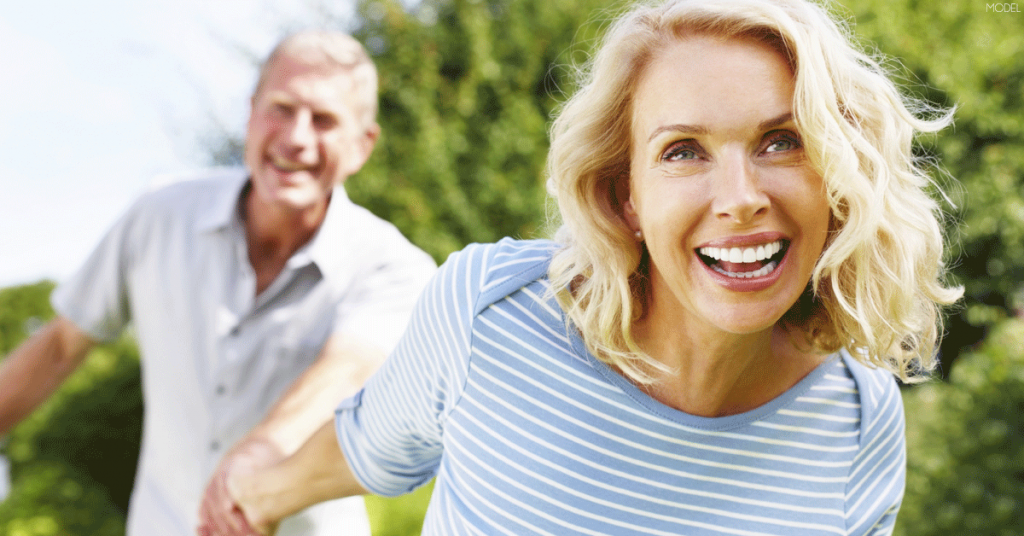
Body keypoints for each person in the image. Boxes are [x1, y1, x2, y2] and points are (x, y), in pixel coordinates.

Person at [219, 0, 963, 534]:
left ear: (838, 176)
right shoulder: (491, 312)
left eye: (782, 142)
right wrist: (249, 497)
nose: (741, 198)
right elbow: (368, 449)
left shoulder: (858, 421)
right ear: (625, 196)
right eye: (683, 152)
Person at [0, 31, 436, 535]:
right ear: (250, 114)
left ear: (363, 146)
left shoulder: (397, 268)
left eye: (324, 120)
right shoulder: (159, 216)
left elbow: (346, 370)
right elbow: (60, 345)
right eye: (282, 108)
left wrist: (258, 457)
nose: (297, 137)